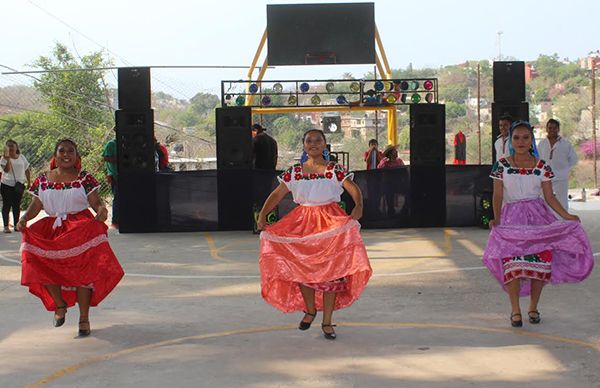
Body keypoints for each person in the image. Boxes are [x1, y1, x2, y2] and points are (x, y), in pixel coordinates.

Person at [258, 129, 372, 340]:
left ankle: (327, 321)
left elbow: (352, 187)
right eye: (309, 141)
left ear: (325, 144)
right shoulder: (295, 172)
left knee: (332, 273)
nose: (313, 144)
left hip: (330, 223)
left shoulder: (334, 169)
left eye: (318, 140)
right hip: (302, 223)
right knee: (302, 269)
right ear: (303, 145)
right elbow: (277, 194)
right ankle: (310, 310)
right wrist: (263, 214)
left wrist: (359, 205)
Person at [483, 121, 594, 328]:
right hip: (512, 220)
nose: (521, 141)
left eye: (525, 137)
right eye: (516, 138)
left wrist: (567, 216)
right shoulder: (502, 165)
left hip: (538, 219)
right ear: (511, 141)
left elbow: (550, 197)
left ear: (531, 140)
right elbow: (497, 195)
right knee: (513, 265)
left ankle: (533, 307)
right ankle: (515, 310)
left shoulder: (542, 166)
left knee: (539, 266)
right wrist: (497, 220)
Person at [17, 139, 124, 337]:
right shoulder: (42, 179)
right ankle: (60, 304)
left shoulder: (84, 178)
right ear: (55, 155)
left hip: (80, 229)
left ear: (76, 156)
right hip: (52, 229)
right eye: (62, 151)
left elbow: (96, 202)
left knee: (84, 273)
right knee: (41, 265)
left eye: (71, 151)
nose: (66, 154)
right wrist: (25, 217)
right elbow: (36, 204)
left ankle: (84, 318)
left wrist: (101, 211)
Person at [537, 119, 578, 210]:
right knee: (544, 199)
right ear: (546, 129)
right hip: (545, 178)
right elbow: (539, 160)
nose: (552, 130)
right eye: (550, 128)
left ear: (558, 129)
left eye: (554, 128)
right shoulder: (542, 144)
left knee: (561, 200)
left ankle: (562, 222)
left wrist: (564, 170)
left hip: (561, 178)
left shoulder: (565, 144)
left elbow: (574, 159)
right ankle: (547, 221)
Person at [1, 140, 31, 233]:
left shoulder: (21, 157)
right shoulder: (3, 159)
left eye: (12, 146)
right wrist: (8, 158)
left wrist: (29, 181)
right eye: (8, 146)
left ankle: (16, 225)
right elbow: (6, 170)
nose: (11, 148)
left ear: (16, 147)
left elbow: (27, 169)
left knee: (16, 205)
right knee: (7, 205)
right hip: (7, 184)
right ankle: (6, 226)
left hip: (19, 185)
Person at [102, 130, 119, 228]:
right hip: (115, 174)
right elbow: (106, 158)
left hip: (127, 175)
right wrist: (119, 159)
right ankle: (115, 221)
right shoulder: (111, 144)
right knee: (117, 197)